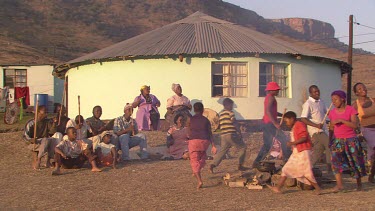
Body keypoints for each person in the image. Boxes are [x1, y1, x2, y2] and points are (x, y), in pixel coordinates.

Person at [267, 111, 321, 194]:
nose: (286, 123)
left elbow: (304, 137)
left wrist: (292, 143)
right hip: (297, 152)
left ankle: (317, 188)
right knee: (286, 169)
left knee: (306, 172)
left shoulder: (300, 124)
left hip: (303, 151)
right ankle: (278, 188)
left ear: (292, 119)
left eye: (286, 121)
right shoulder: (295, 126)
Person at [329, 90, 366, 191]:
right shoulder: (332, 113)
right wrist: (330, 140)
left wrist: (342, 120)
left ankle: (359, 184)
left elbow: (354, 125)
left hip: (351, 140)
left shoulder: (351, 110)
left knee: (355, 162)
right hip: (337, 140)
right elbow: (331, 128)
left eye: (336, 99)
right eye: (332, 100)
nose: (334, 102)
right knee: (335, 162)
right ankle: (340, 184)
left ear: (342, 99)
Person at [253, 82, 289, 168]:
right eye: (276, 90)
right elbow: (268, 112)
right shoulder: (270, 98)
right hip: (269, 124)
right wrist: (276, 123)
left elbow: (272, 112)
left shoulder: (270, 97)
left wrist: (282, 115)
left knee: (267, 144)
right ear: (271, 90)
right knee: (283, 139)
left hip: (267, 123)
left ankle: (256, 162)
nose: (278, 91)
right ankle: (287, 159)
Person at [209, 98, 248, 173]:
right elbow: (234, 122)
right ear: (227, 105)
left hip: (223, 135)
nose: (232, 107)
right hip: (231, 134)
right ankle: (240, 165)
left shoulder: (221, 114)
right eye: (231, 105)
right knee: (243, 147)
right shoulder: (230, 112)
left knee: (222, 151)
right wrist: (239, 132)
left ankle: (212, 165)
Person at [301, 85, 331, 171]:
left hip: (323, 129)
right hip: (316, 131)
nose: (317, 93)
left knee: (318, 150)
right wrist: (316, 125)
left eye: (318, 91)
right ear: (310, 93)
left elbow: (328, 112)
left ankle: (308, 167)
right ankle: (330, 166)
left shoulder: (321, 101)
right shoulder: (308, 104)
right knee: (328, 144)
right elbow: (303, 118)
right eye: (315, 92)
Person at [188, 102, 217, 189]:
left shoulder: (190, 119)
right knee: (202, 156)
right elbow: (210, 133)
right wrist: (213, 145)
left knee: (194, 160)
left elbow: (189, 131)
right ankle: (197, 169)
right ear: (203, 110)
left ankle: (199, 180)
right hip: (205, 142)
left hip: (194, 141)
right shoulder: (206, 120)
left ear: (194, 110)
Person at [23, 105, 62, 170]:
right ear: (38, 112)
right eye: (44, 112)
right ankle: (39, 160)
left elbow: (52, 132)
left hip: (44, 141)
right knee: (45, 140)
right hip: (33, 142)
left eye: (46, 112)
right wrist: (31, 140)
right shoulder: (31, 123)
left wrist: (54, 124)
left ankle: (48, 161)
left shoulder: (47, 122)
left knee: (51, 140)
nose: (46, 114)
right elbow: (25, 136)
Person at [352, 82, 375, 183]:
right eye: (360, 89)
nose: (363, 89)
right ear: (356, 93)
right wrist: (356, 131)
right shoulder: (355, 105)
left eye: (364, 87)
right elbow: (352, 118)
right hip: (367, 130)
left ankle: (371, 175)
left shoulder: (373, 100)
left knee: (373, 155)